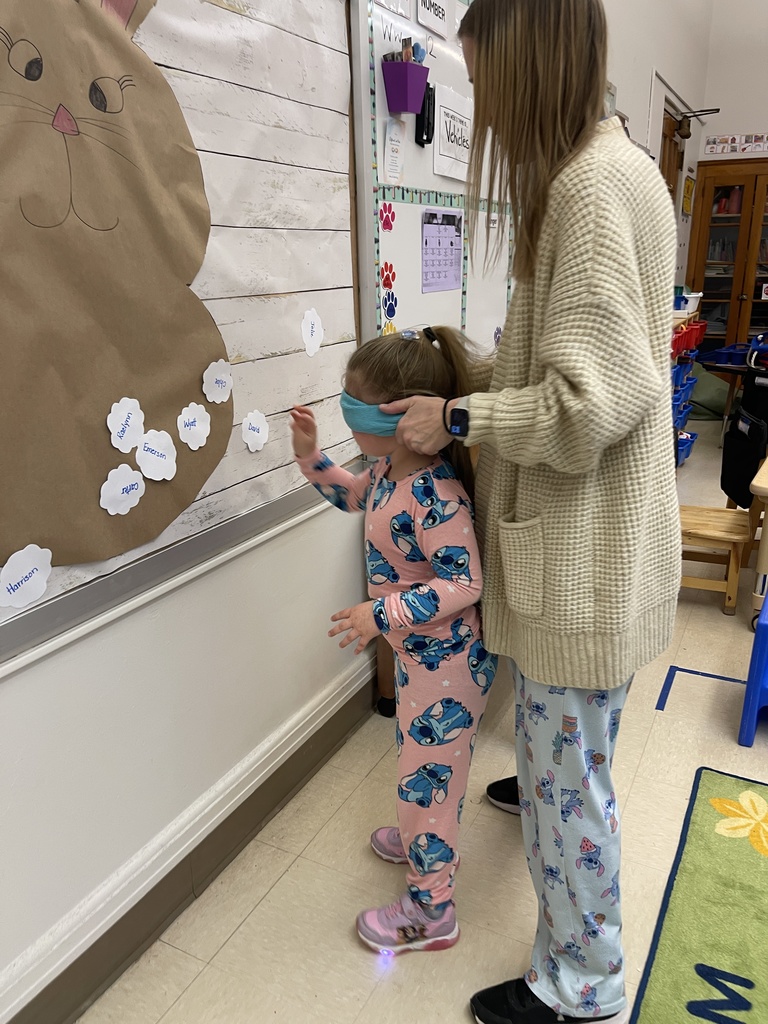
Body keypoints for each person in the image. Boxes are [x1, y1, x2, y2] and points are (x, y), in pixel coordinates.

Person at [379, 0, 680, 1020]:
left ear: (531, 65)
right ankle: (550, 781)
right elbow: (581, 358)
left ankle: (583, 986)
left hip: (580, 564)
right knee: (572, 750)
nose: (488, 118)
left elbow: (591, 401)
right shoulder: (616, 165)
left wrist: (461, 409)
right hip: (611, 547)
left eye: (488, 89)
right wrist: (471, 366)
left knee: (570, 796)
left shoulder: (589, 192)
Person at [290, 326, 498, 955]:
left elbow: (465, 582)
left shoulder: (437, 493)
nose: (345, 416)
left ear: (404, 417)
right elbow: (353, 496)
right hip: (420, 661)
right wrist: (309, 458)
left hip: (451, 668)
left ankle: (432, 912)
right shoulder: (385, 473)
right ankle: (417, 842)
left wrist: (381, 614)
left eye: (354, 406)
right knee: (417, 767)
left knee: (427, 782)